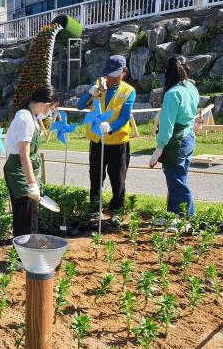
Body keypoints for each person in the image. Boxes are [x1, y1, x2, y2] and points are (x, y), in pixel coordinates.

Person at [78, 55, 136, 224]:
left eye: (115, 74)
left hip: (118, 142)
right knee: (95, 176)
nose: (110, 78)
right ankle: (95, 208)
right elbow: (81, 105)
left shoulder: (128, 91)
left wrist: (111, 127)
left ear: (124, 72)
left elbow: (125, 116)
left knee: (118, 177)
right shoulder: (98, 84)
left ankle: (117, 208)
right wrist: (91, 93)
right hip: (97, 140)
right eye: (108, 74)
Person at [5, 85, 60, 236]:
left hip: (24, 170)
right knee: (25, 218)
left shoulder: (31, 117)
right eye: (51, 108)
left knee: (30, 216)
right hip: (19, 172)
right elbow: (24, 155)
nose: (49, 113)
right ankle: (23, 257)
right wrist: (32, 184)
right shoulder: (25, 119)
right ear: (46, 103)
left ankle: (28, 254)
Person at [149, 55, 199, 217]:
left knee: (177, 183)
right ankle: (173, 215)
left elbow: (167, 127)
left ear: (168, 72)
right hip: (189, 138)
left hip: (176, 143)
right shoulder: (191, 87)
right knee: (178, 178)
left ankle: (187, 217)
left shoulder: (172, 94)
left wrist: (158, 149)